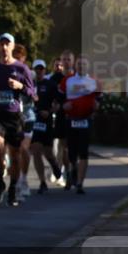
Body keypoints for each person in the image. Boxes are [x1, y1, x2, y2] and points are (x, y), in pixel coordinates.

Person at [0, 33, 35, 207]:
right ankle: (0, 183)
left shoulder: (22, 69)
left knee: (15, 154)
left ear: (13, 47)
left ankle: (12, 188)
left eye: (7, 44)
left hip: (14, 116)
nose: (4, 47)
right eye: (1, 44)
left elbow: (32, 93)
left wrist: (20, 86)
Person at [59, 55, 101, 194]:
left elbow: (100, 99)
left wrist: (97, 106)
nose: (81, 66)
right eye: (79, 64)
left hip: (86, 119)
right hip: (71, 119)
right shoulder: (68, 80)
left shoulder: (94, 81)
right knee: (71, 152)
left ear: (87, 66)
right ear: (75, 66)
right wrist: (64, 106)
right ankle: (73, 169)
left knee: (83, 152)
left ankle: (80, 184)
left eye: (84, 64)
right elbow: (59, 98)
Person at [30, 58, 64, 193]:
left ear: (44, 70)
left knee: (48, 151)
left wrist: (50, 111)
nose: (39, 71)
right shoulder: (29, 84)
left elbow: (58, 103)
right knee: (36, 150)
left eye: (41, 69)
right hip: (33, 121)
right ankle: (42, 182)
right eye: (36, 69)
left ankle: (55, 166)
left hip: (47, 121)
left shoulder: (50, 85)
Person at [12, 44, 36, 198]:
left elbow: (34, 94)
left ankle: (23, 179)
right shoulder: (9, 72)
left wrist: (27, 90)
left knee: (24, 149)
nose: (17, 60)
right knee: (15, 151)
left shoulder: (29, 73)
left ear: (24, 58)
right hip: (14, 117)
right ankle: (16, 180)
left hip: (27, 116)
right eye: (15, 57)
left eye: (20, 57)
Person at [51, 50, 75, 182]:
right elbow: (52, 97)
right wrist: (54, 106)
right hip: (60, 116)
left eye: (68, 60)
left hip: (75, 116)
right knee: (63, 146)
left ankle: (73, 170)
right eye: (63, 60)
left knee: (72, 147)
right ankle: (67, 172)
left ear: (73, 61)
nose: (65, 62)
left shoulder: (77, 78)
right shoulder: (55, 79)